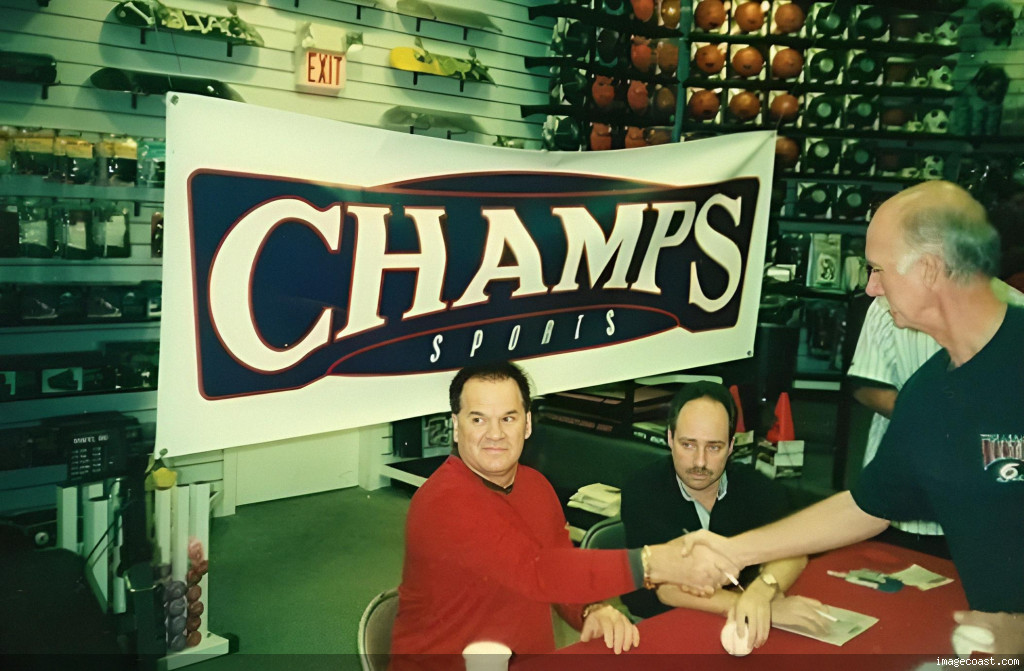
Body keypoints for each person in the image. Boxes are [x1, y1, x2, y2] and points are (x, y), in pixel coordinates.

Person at [680, 180, 1024, 654]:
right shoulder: (928, 394)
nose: (870, 287)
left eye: (878, 269)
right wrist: (733, 551)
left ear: (928, 269)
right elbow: (867, 506)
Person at [388, 361, 740, 667]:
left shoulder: (536, 487)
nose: (495, 434)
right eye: (478, 419)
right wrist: (654, 562)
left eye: (508, 418)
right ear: (456, 425)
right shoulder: (443, 501)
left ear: (527, 424)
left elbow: (560, 572)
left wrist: (589, 609)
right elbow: (538, 571)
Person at [621, 381, 829, 648]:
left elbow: (793, 551)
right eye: (688, 445)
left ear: (731, 446)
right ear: (670, 438)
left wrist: (762, 591)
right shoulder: (642, 490)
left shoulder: (754, 485)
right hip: (664, 630)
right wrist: (761, 609)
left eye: (714, 447)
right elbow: (669, 589)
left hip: (735, 629)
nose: (700, 462)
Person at [849, 283, 1024, 557]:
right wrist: (936, 421)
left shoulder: (1015, 305)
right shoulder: (886, 301)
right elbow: (867, 386)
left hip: (986, 509)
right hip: (898, 501)